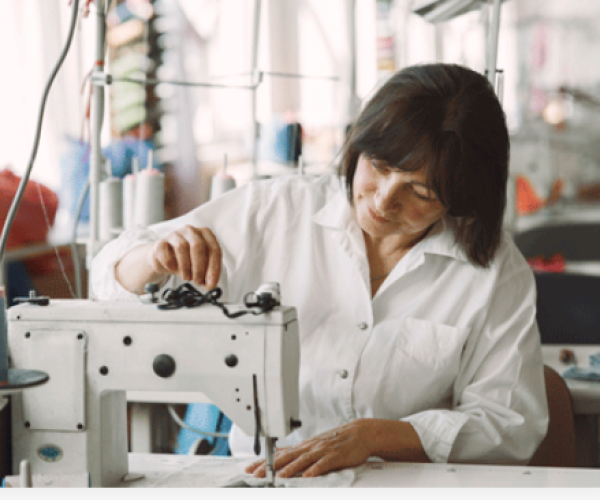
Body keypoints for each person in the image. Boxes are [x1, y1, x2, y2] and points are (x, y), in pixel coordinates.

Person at [92, 63, 548, 479]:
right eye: (379, 166)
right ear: (358, 146)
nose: (384, 200)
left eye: (420, 192)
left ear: (461, 197)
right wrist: (152, 259)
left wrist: (375, 436)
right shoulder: (275, 211)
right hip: (264, 475)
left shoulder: (492, 274)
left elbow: (510, 425)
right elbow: (108, 282)